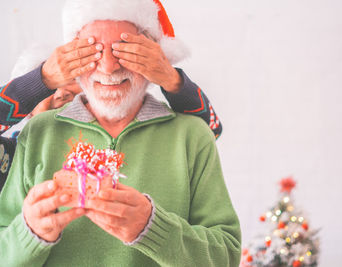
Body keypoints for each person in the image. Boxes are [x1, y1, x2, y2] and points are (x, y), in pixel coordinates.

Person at [0, 0, 241, 266]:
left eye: (125, 50)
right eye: (92, 51)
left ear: (154, 57)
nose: (108, 67)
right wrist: (28, 234)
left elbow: (226, 257)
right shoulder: (38, 132)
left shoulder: (192, 136)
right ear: (72, 58)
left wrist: (154, 229)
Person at [0, 31, 222, 192]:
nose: (61, 93)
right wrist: (42, 79)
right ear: (25, 109)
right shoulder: (12, 156)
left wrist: (171, 80)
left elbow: (209, 132)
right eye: (46, 90)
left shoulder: (125, 144)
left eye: (70, 78)